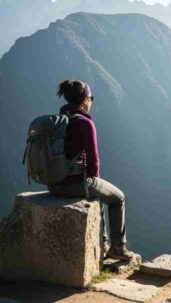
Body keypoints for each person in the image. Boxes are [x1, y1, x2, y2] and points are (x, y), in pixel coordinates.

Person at [48, 79, 136, 261]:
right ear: (85, 100)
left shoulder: (58, 120)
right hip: (75, 185)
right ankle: (118, 248)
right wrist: (93, 180)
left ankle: (102, 243)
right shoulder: (85, 123)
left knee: (99, 194)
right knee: (118, 199)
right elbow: (94, 163)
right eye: (91, 97)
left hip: (54, 184)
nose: (91, 101)